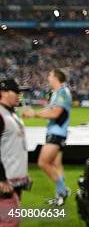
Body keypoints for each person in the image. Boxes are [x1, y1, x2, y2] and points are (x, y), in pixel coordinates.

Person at [22, 69, 72, 206]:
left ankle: (63, 191)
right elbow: (49, 110)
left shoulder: (62, 92)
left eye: (50, 75)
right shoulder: (56, 93)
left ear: (56, 77)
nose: (48, 77)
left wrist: (34, 114)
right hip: (57, 132)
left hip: (57, 133)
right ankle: (60, 194)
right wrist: (34, 113)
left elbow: (55, 113)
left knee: (43, 163)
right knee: (56, 164)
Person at [0, 79, 30, 227]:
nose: (19, 95)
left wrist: (23, 172)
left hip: (15, 181)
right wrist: (1, 179)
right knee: (8, 222)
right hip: (5, 183)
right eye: (15, 92)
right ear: (3, 93)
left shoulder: (11, 114)